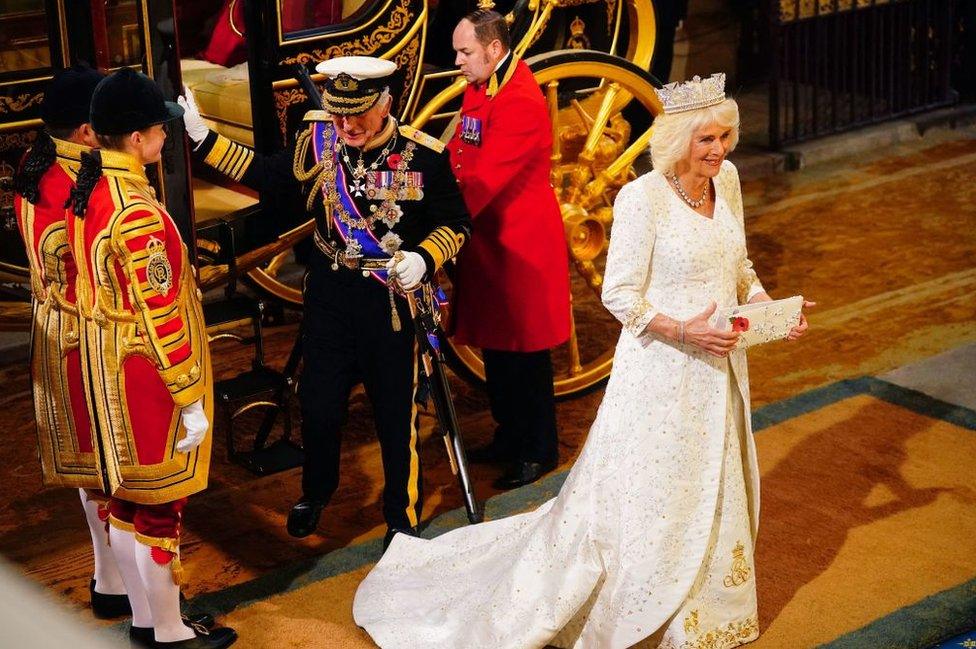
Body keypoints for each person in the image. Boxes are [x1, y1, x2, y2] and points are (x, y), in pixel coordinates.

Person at [353, 72, 813, 648]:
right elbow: (618, 294)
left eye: (724, 137)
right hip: (661, 371)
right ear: (676, 140)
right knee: (652, 494)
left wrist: (770, 307)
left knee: (714, 483)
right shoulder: (642, 198)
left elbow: (738, 264)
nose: (718, 150)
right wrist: (682, 330)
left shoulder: (732, 181)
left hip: (721, 373)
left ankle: (706, 614)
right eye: (706, 140)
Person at [179, 56, 471, 548]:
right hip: (331, 297)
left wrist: (424, 256)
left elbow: (456, 224)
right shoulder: (318, 139)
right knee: (318, 405)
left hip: (391, 302)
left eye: (357, 114)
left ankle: (401, 514)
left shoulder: (424, 156)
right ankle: (316, 492)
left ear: (387, 104)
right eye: (337, 114)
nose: (346, 126)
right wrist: (201, 138)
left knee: (395, 413)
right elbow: (264, 173)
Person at [68, 68, 236, 649]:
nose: (167, 137)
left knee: (123, 503)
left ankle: (146, 620)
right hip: (144, 376)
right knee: (160, 506)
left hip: (107, 367)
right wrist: (189, 396)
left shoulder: (91, 189)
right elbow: (161, 313)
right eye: (159, 130)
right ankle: (168, 630)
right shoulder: (137, 211)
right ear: (136, 139)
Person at [11, 63, 135, 620]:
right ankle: (145, 601)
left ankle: (107, 577)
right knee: (122, 476)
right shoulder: (89, 185)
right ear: (87, 131)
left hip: (53, 334)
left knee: (90, 471)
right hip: (93, 340)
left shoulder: (33, 168)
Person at [449, 10, 571, 489]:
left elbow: (484, 178)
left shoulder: (517, 99)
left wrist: (442, 217)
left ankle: (538, 449)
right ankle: (508, 434)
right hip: (490, 238)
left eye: (465, 52)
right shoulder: (484, 84)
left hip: (518, 244)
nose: (457, 61)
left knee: (525, 354)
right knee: (498, 349)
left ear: (494, 50)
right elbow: (463, 149)